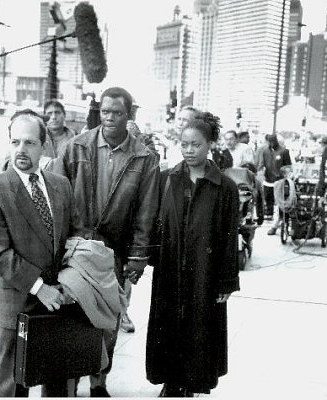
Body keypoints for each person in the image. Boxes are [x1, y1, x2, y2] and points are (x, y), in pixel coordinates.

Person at [52, 86, 160, 397]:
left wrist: (138, 257)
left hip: (116, 253)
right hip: (76, 249)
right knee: (73, 318)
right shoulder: (76, 148)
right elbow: (58, 200)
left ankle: (99, 382)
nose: (110, 118)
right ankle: (70, 385)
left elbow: (146, 211)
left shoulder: (144, 158)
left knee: (109, 321)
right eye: (105, 112)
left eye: (118, 113)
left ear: (130, 115)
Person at [0, 110, 82, 397]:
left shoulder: (60, 185)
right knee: (12, 385)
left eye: (30, 143)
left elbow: (74, 235)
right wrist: (40, 288)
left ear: (44, 145)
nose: (21, 149)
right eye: (15, 142)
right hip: (19, 301)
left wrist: (71, 282)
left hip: (59, 300)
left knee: (58, 382)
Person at [146, 113, 240, 397]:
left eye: (195, 144)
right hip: (170, 269)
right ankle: (170, 381)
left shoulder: (225, 187)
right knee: (168, 324)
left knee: (199, 328)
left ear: (210, 144)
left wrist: (227, 281)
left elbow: (228, 237)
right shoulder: (167, 179)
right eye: (184, 144)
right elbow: (154, 223)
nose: (188, 150)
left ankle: (192, 383)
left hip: (205, 271)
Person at [256, 133, 292, 235]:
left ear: (276, 141)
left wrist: (285, 176)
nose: (271, 144)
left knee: (279, 203)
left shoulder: (284, 151)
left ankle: (275, 226)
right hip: (268, 180)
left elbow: (288, 166)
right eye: (269, 142)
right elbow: (262, 164)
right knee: (269, 201)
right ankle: (275, 221)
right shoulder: (265, 151)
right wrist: (260, 173)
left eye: (273, 141)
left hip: (279, 181)